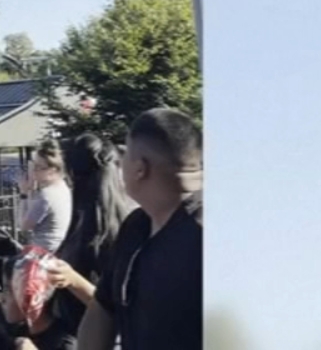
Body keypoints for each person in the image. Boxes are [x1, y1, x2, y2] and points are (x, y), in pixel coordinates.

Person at [76, 109, 202, 350]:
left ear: (140, 168)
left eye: (125, 155)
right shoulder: (136, 226)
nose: (120, 164)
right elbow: (103, 307)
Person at [44, 134, 133, 338]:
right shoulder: (87, 224)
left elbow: (118, 309)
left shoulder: (120, 233)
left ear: (71, 176)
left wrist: (73, 280)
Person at [0, 256, 78, 350]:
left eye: (8, 290)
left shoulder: (64, 343)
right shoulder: (17, 332)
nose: (1, 298)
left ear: (32, 296)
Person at [19, 140, 71, 252]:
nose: (34, 171)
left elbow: (24, 227)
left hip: (43, 251)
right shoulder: (63, 187)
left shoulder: (46, 195)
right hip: (62, 246)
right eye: (33, 166)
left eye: (39, 167)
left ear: (53, 170)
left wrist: (24, 194)